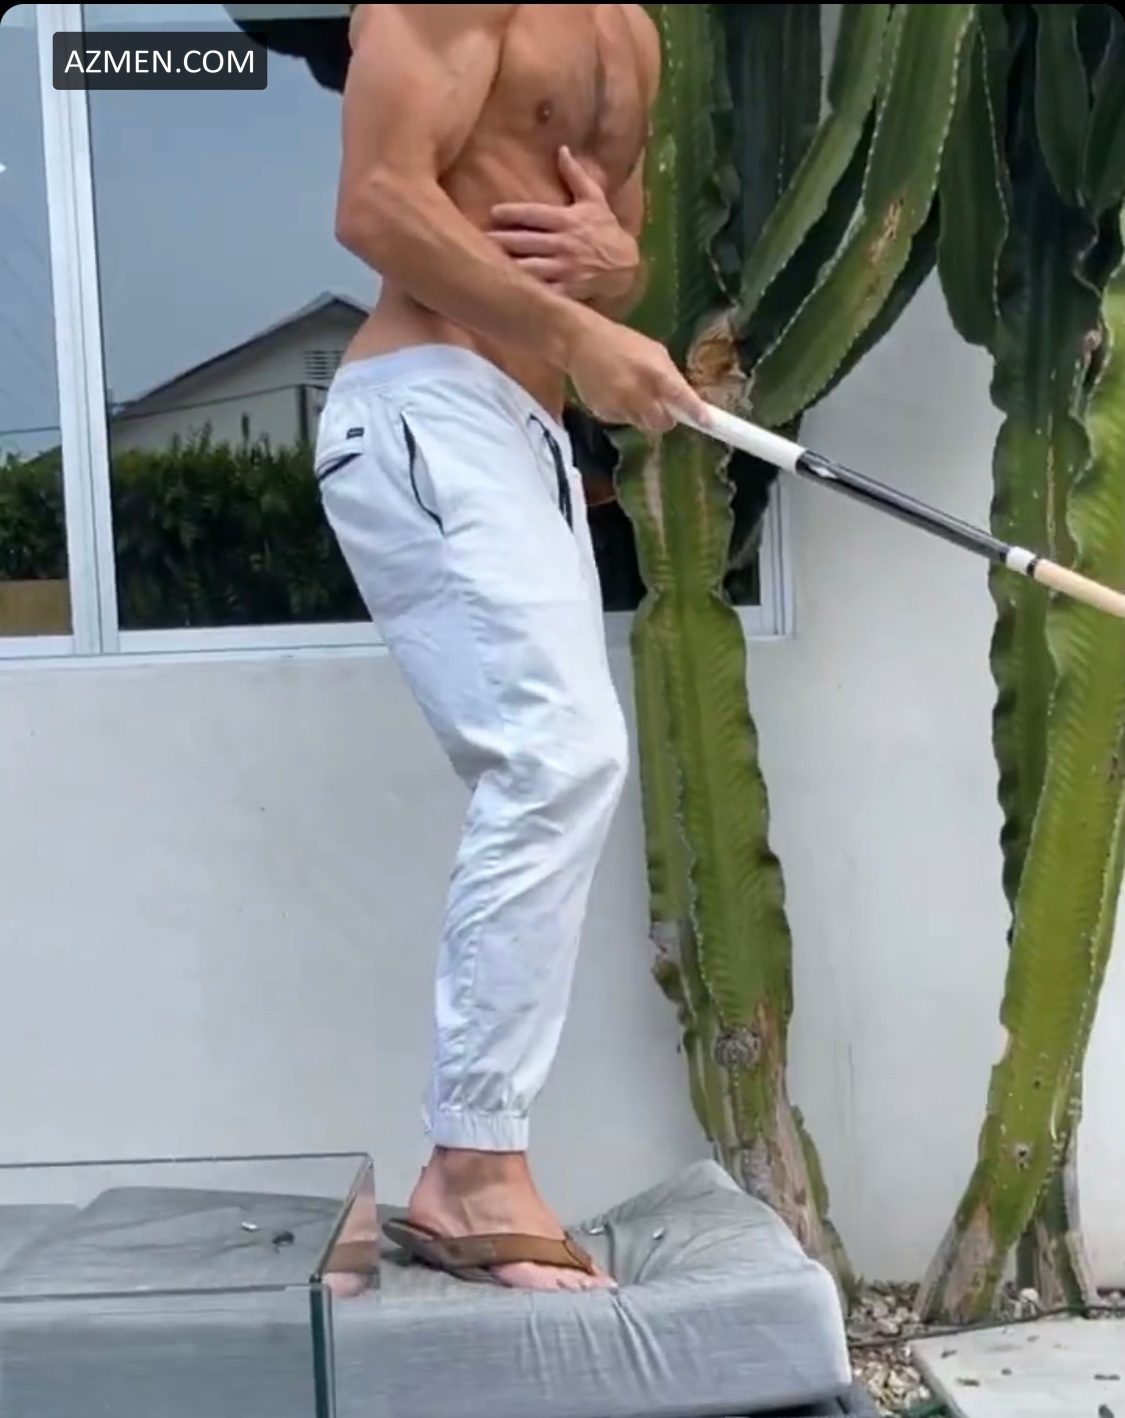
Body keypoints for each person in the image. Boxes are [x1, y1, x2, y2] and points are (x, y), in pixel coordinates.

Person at [315, 3, 707, 1293]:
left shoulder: (632, 33)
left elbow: (609, 259)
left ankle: (476, 1161)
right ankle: (474, 1167)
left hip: (526, 435)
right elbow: (376, 200)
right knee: (558, 754)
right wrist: (582, 335)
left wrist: (616, 269)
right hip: (426, 401)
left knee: (566, 763)